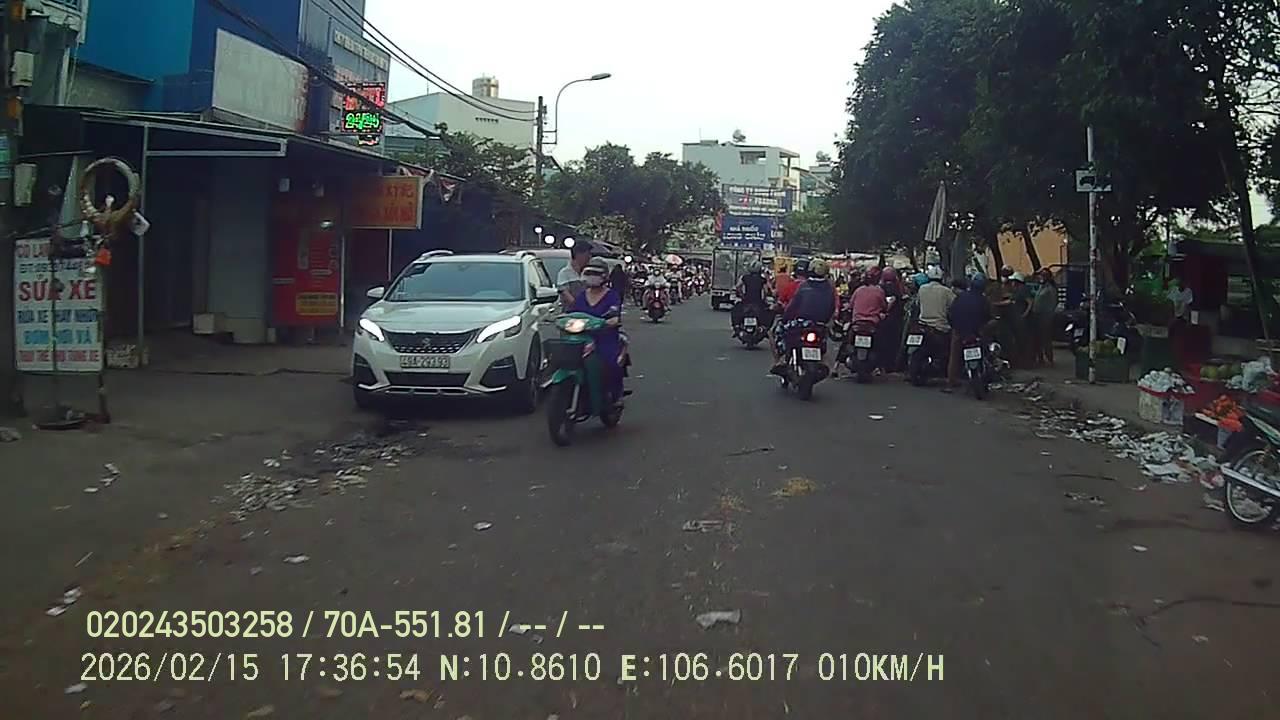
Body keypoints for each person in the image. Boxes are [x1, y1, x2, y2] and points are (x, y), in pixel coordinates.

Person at [569, 258, 627, 407]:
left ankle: (616, 394)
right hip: (582, 337)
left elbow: (614, 315)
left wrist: (609, 322)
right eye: (589, 273)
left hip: (605, 337)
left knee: (612, 364)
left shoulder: (612, 295)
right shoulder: (582, 296)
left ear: (604, 276)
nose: (591, 277)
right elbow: (571, 313)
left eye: (595, 274)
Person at [772, 258, 839, 373]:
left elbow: (793, 305)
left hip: (801, 323)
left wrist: (785, 319)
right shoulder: (830, 288)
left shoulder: (804, 286)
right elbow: (832, 307)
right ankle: (824, 362)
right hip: (820, 325)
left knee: (779, 331)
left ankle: (781, 359)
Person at [917, 266, 958, 386]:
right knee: (951, 349)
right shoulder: (946, 291)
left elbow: (918, 304)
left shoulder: (922, 289)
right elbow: (954, 305)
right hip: (940, 327)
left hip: (922, 325)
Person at [1031, 269, 1059, 367]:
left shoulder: (1050, 289)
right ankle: (1040, 358)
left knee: (1046, 338)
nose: (1041, 277)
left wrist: (1049, 315)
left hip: (1045, 316)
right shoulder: (1041, 287)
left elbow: (1053, 303)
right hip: (1037, 315)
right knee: (1037, 338)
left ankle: (1050, 359)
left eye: (1043, 275)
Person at [732, 260, 771, 329]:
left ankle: (736, 325)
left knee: (735, 309)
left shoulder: (745, 277)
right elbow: (766, 291)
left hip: (746, 301)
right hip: (758, 302)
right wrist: (764, 299)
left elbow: (738, 286)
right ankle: (764, 327)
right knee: (767, 312)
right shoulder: (762, 279)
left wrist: (741, 295)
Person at [557, 241, 594, 307]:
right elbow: (565, 294)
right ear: (578, 255)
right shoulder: (564, 273)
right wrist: (579, 306)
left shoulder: (589, 272)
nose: (589, 257)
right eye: (587, 254)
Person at [1008, 272, 1033, 368]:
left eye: (1013, 281)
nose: (1012, 283)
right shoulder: (1017, 291)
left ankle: (1026, 362)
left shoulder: (1023, 290)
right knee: (1019, 340)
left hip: (1022, 320)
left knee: (1023, 341)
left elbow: (1030, 302)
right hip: (1018, 319)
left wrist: (1024, 314)